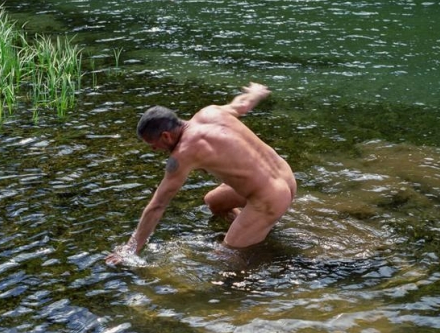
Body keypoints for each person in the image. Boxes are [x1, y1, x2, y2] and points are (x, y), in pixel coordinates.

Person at [106, 82, 297, 265]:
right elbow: (243, 104)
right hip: (286, 176)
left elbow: (158, 205)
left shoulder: (183, 154)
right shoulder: (210, 112)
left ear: (166, 135)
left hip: (269, 199)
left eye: (153, 144)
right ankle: (254, 229)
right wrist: (256, 92)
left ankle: (253, 260)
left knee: (225, 256)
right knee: (214, 202)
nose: (155, 149)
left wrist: (131, 248)